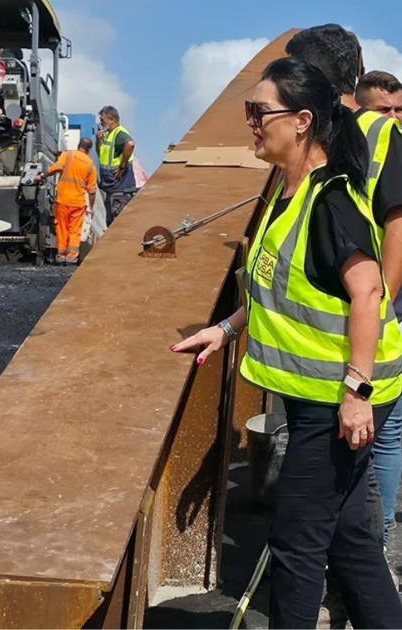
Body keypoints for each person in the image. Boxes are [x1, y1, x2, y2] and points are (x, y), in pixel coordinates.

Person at [171, 57, 402, 629]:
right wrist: (227, 328)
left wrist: (357, 393)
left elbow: (369, 291)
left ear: (302, 121)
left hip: (337, 400)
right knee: (350, 539)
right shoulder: (288, 193)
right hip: (319, 396)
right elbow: (279, 287)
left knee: (297, 544)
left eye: (259, 112)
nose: (251, 123)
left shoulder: (330, 202)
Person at [288, 24, 402, 556]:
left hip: (369, 306)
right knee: (362, 450)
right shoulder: (321, 132)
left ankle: (371, 546)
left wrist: (380, 307)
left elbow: (397, 227)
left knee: (380, 438)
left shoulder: (375, 132)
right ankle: (360, 556)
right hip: (343, 310)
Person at [35, 138, 98, 265]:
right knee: (75, 230)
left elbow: (56, 168)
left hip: (63, 200)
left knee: (62, 228)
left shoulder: (67, 155)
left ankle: (60, 255)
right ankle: (71, 257)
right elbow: (92, 190)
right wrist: (90, 208)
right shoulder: (90, 165)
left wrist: (42, 176)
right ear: (89, 150)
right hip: (78, 203)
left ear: (78, 145)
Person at [96, 106, 138, 226]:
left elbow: (130, 144)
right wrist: (98, 141)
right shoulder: (109, 135)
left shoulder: (119, 133)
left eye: (102, 120)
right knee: (111, 226)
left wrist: (122, 168)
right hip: (112, 190)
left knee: (119, 225)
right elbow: (101, 155)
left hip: (120, 191)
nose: (101, 123)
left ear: (111, 119)